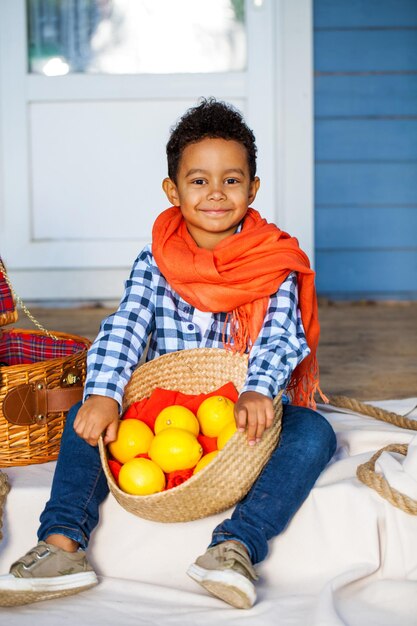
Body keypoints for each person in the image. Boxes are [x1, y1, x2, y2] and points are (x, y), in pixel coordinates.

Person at [0, 98, 336, 610]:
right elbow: (125, 328)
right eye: (199, 181)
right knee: (84, 415)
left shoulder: (273, 260)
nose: (216, 194)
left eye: (232, 180)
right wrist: (105, 395)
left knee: (314, 432)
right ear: (173, 190)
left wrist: (258, 390)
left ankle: (235, 545)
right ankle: (62, 544)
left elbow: (281, 335)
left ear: (253, 188)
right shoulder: (155, 261)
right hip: (162, 414)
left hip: (243, 413)